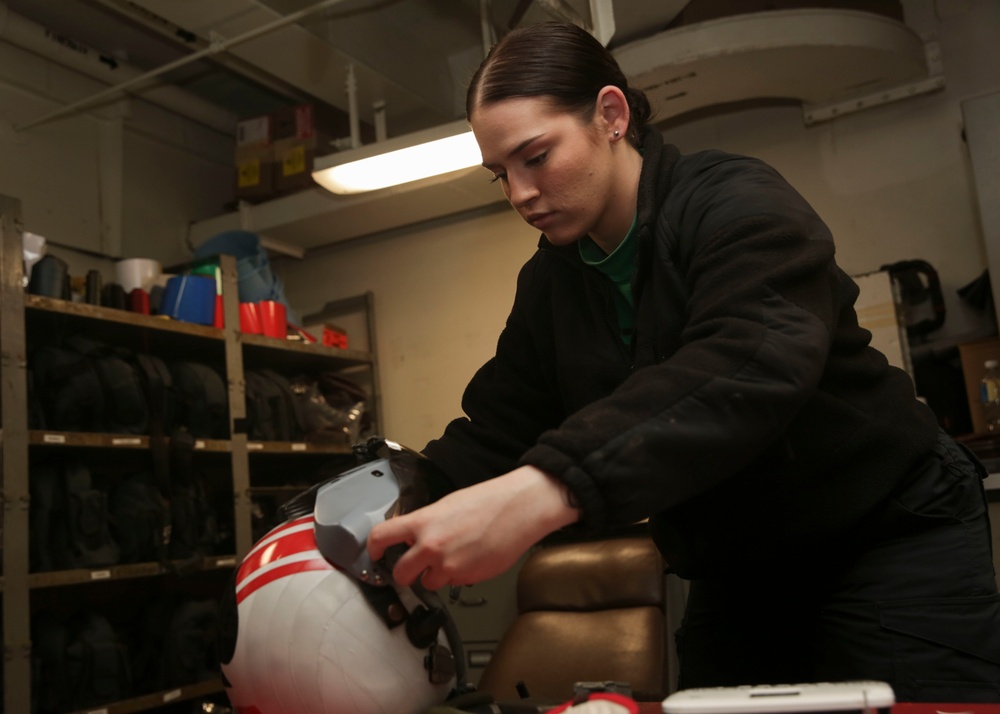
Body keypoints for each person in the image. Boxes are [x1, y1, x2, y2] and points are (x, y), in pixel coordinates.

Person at [367, 21, 1000, 702]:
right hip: (739, 571)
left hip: (884, 533)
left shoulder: (735, 201)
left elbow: (748, 362)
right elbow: (497, 431)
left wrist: (547, 488)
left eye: (536, 157)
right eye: (502, 174)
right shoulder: (552, 282)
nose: (519, 193)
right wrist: (378, 500)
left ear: (611, 115)